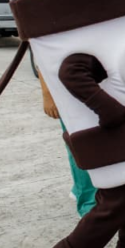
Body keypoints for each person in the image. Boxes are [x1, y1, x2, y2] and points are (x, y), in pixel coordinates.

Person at [39, 71, 97, 217]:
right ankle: (89, 206)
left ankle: (80, 189)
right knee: (80, 145)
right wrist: (47, 93)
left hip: (99, 84)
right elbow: (41, 58)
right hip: (69, 89)